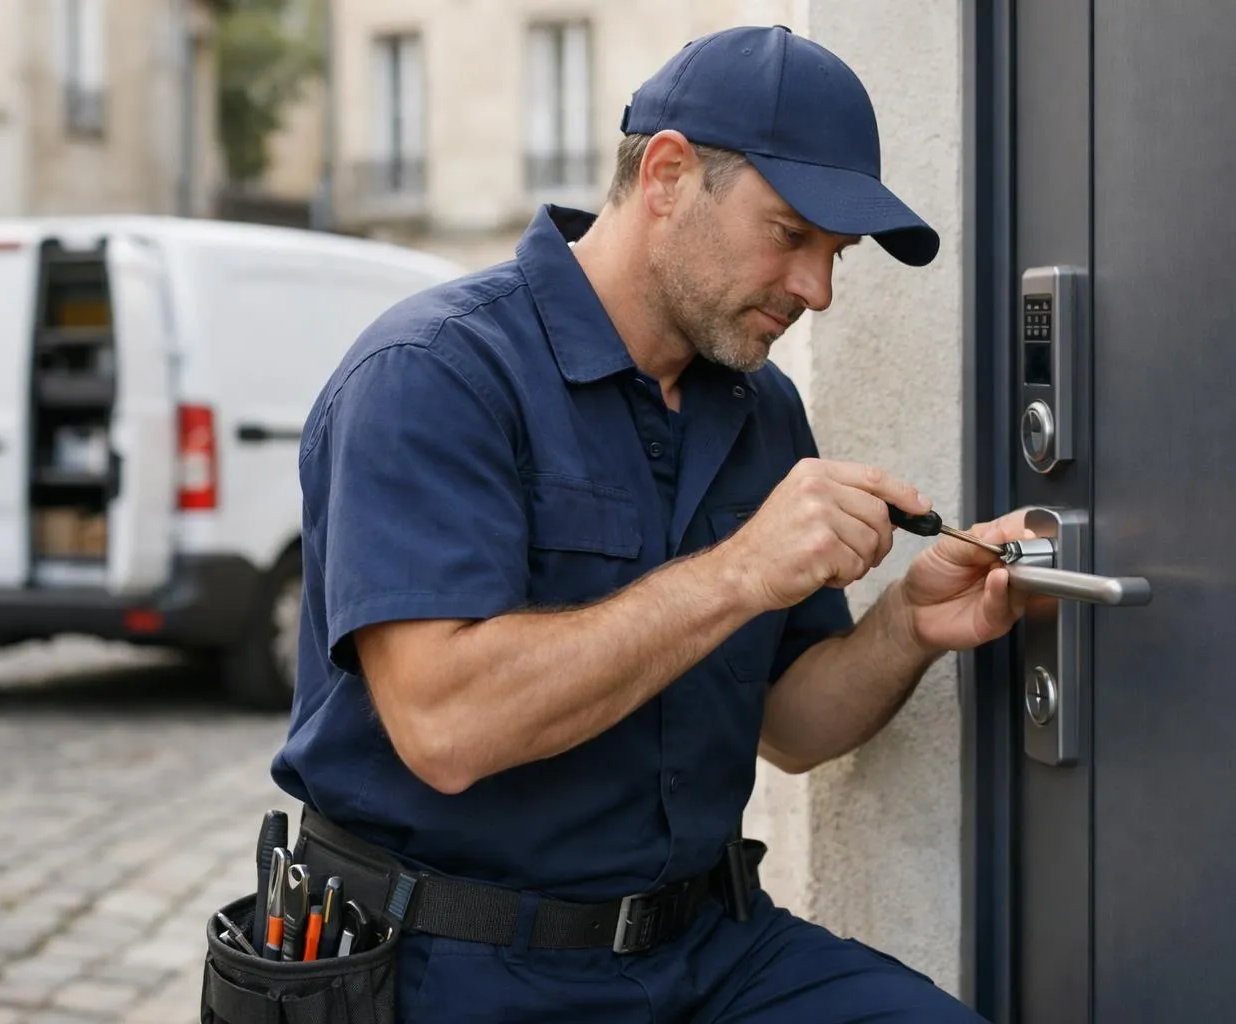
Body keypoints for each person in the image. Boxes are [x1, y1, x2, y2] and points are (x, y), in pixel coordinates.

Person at [271, 24, 1028, 1023]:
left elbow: (792, 729)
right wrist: (739, 571)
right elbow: (448, 728)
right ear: (667, 175)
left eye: (835, 256)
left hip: (710, 949)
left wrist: (912, 624)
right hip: (458, 966)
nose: (817, 290)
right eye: (790, 235)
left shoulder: (760, 409)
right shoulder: (433, 373)